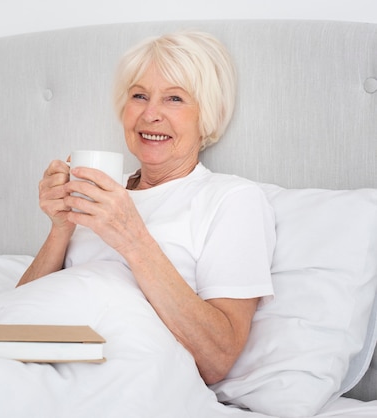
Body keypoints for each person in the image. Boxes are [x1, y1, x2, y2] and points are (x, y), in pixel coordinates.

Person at [16, 31, 275, 385]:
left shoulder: (231, 199)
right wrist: (60, 228)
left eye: (174, 99)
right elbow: (15, 317)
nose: (150, 114)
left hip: (126, 378)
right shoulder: (101, 190)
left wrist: (132, 238)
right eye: (139, 96)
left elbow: (218, 358)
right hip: (38, 365)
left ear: (207, 116)